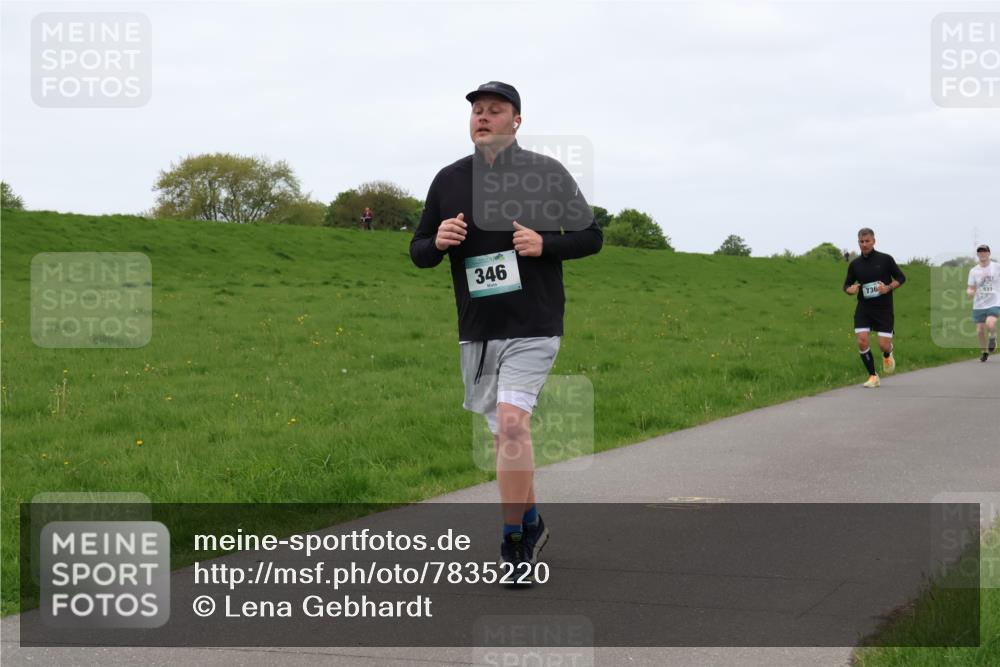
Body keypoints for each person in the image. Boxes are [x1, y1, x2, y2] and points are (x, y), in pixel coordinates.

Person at [410, 81, 602, 577]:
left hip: (534, 322)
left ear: (516, 121)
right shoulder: (449, 180)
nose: (483, 116)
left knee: (514, 425)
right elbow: (418, 251)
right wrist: (438, 241)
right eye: (477, 110)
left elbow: (591, 236)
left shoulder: (546, 173)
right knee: (506, 439)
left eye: (494, 110)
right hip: (479, 329)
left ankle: (513, 541)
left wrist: (545, 244)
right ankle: (532, 521)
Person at [843, 228, 906, 387]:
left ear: (873, 241)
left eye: (867, 241)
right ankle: (873, 376)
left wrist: (888, 288)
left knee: (883, 345)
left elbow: (901, 277)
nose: (864, 244)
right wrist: (850, 290)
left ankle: (887, 353)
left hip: (883, 309)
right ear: (858, 242)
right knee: (862, 341)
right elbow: (846, 285)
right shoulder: (855, 264)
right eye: (861, 242)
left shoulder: (885, 259)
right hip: (864, 308)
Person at [967, 244, 999, 362]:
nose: (982, 253)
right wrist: (970, 291)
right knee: (980, 330)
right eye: (980, 252)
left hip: (994, 302)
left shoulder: (997, 267)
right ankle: (984, 352)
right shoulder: (973, 271)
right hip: (979, 304)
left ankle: (993, 338)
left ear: (989, 253)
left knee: (990, 323)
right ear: (978, 254)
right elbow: (970, 287)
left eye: (985, 251)